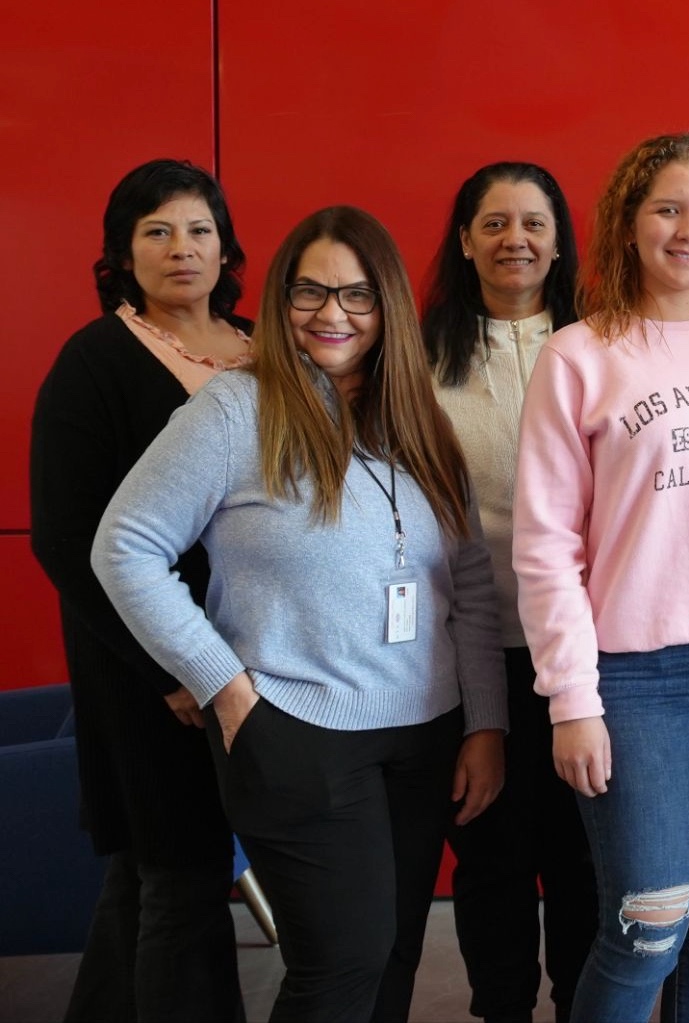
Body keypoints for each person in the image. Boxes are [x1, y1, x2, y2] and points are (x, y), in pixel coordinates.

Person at [92, 204, 509, 1021]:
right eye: (309, 292)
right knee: (340, 968)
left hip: (423, 733)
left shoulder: (416, 416)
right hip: (296, 728)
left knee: (391, 957)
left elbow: (467, 584)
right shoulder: (235, 410)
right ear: (281, 302)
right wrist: (225, 684)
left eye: (356, 295)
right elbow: (124, 546)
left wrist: (485, 724)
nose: (332, 314)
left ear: (387, 306)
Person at [513, 133, 689, 1023]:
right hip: (634, 679)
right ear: (629, 224)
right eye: (669, 209)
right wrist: (572, 700)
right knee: (647, 923)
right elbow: (545, 544)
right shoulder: (579, 355)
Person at [30, 159, 252, 1023]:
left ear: (226, 245)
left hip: (254, 651)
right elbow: (66, 539)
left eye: (198, 229)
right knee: (185, 870)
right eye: (155, 232)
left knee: (151, 872)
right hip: (151, 672)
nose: (181, 249)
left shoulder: (259, 343)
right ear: (122, 256)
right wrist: (173, 666)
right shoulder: (96, 361)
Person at [422, 161, 597, 1023]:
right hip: (468, 656)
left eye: (533, 222)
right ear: (463, 241)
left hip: (587, 660)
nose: (514, 240)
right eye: (493, 223)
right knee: (489, 861)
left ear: (560, 241)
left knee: (580, 865)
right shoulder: (417, 360)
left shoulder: (604, 345)